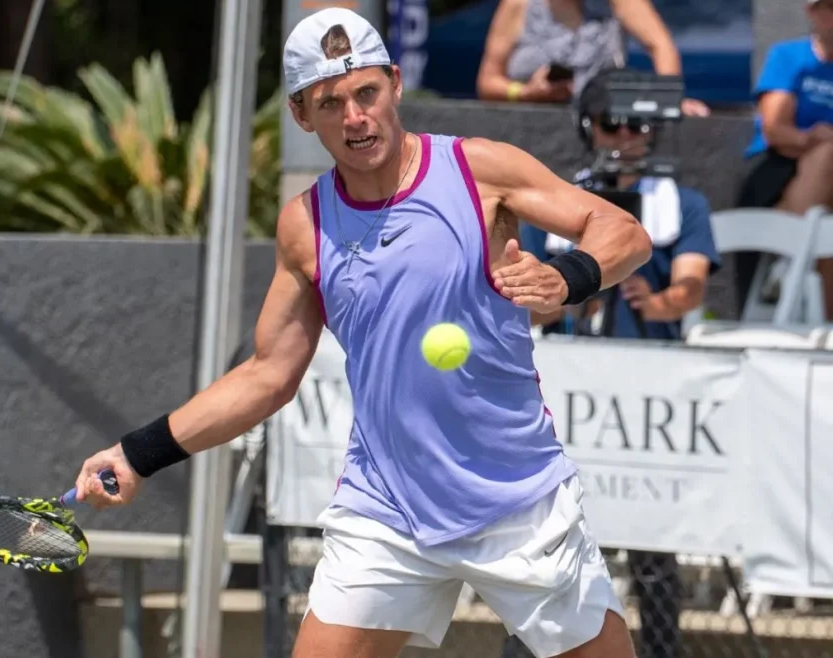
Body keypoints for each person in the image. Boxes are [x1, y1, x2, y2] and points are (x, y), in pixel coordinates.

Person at [75, 8, 651, 658]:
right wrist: (137, 453)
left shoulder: (480, 171)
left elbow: (624, 233)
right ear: (302, 115)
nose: (355, 117)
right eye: (330, 103)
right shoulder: (306, 224)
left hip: (518, 501)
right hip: (386, 509)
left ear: (395, 85)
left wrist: (566, 278)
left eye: (366, 93)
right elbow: (267, 375)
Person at [511, 69, 720, 658]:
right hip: (569, 391)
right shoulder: (555, 201)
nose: (628, 135)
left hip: (648, 390)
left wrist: (656, 303)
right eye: (614, 123)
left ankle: (661, 648)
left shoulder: (683, 203)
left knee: (653, 546)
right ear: (589, 128)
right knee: (545, 542)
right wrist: (566, 290)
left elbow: (691, 287)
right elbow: (528, 302)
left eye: (641, 125)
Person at [736, 0, 833, 319]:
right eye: (830, 7)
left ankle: (792, 261)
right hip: (779, 175)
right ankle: (790, 255)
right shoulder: (790, 56)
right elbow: (775, 130)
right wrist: (810, 138)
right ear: (812, 12)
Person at [475, 0, 710, 117]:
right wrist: (526, 93)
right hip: (530, 131)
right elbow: (487, 82)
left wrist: (668, 100)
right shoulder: (519, 5)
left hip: (602, 131)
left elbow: (661, 46)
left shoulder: (617, 3)